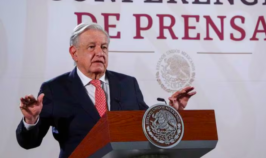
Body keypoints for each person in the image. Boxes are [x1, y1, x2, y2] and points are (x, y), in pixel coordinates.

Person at [16, 23, 196, 158]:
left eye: (104, 47)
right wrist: (31, 120)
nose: (100, 53)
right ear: (74, 53)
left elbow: (146, 127)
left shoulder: (127, 84)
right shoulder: (55, 89)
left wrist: (172, 112)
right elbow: (29, 143)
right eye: (91, 47)